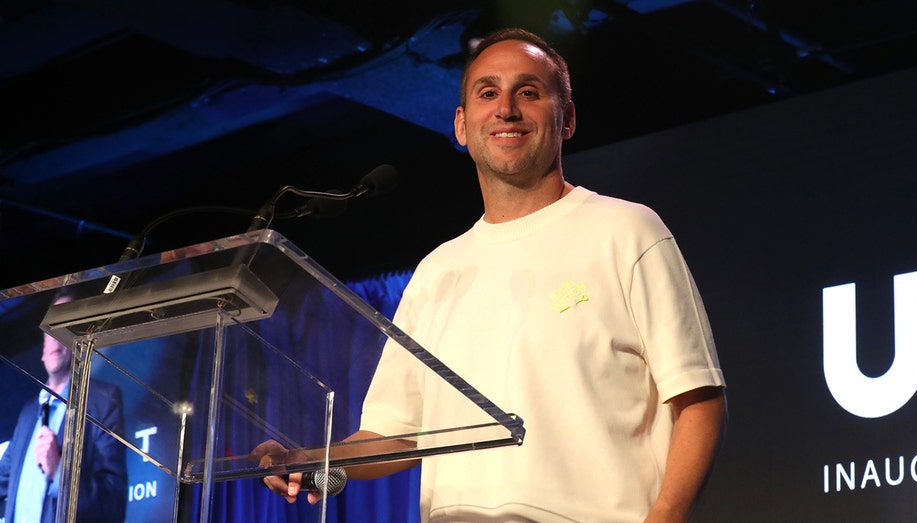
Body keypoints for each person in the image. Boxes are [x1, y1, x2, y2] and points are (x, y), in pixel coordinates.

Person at [253, 27, 726, 522]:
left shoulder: (625, 230)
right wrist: (309, 460)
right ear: (461, 125)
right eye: (487, 93)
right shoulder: (438, 271)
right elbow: (396, 435)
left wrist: (667, 514)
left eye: (529, 91)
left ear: (566, 119)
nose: (506, 109)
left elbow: (699, 399)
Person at [0, 293, 127, 523]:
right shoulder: (28, 414)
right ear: (42, 350)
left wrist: (59, 471)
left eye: (65, 327)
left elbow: (112, 505)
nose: (55, 337)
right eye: (50, 329)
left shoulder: (102, 401)